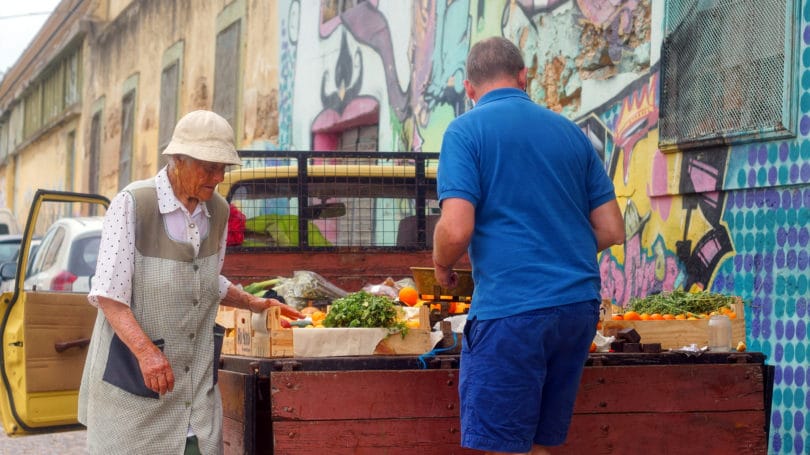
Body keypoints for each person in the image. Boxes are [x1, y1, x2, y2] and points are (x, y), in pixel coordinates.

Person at [432, 37, 624, 455]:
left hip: (512, 310)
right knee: (535, 443)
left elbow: (457, 229)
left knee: (502, 447)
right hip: (577, 309)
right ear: (523, 77)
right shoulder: (571, 133)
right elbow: (612, 229)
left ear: (469, 88)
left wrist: (441, 263)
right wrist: (559, 245)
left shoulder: (464, 132)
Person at [78, 110, 303, 454]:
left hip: (195, 396)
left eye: (222, 167)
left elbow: (206, 277)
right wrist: (147, 354)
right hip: (135, 393)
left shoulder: (219, 211)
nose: (218, 176)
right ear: (178, 160)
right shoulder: (134, 204)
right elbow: (109, 295)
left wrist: (252, 302)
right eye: (209, 167)